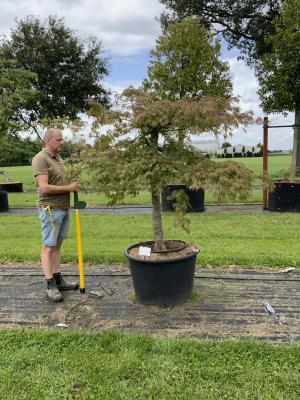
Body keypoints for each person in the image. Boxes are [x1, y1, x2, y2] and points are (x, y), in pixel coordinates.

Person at [32, 128, 79, 302]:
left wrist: (71, 181)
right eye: (59, 140)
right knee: (48, 247)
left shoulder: (58, 158)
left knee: (57, 245)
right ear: (48, 140)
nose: (62, 142)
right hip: (50, 209)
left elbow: (60, 180)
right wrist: (69, 188)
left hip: (63, 208)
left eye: (62, 139)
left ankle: (59, 280)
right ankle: (50, 284)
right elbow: (43, 187)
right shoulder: (40, 159)